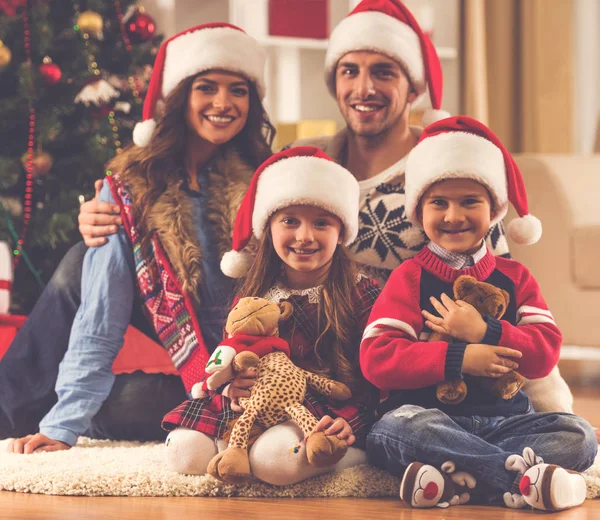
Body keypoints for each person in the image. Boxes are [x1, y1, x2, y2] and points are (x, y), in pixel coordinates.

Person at [57, 1, 575, 416]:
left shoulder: (451, 176)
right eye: (349, 71)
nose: (364, 88)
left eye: (384, 73)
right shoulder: (309, 166)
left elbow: (499, 285)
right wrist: (107, 209)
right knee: (82, 262)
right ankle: (44, 406)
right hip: (308, 349)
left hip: (411, 362)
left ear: (413, 85)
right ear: (334, 84)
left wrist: (553, 407)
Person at [1, 22, 274, 451]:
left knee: (123, 401)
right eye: (207, 87)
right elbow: (101, 310)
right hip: (196, 372)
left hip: (258, 367)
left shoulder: (268, 180)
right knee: (85, 265)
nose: (223, 103)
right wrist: (66, 422)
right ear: (180, 96)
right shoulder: (130, 186)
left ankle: (26, 406)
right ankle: (38, 411)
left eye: (238, 90)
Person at [360, 116, 597, 511]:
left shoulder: (516, 277)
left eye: (470, 201)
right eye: (439, 202)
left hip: (505, 423)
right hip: (430, 420)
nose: (454, 215)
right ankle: (522, 482)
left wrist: (486, 330)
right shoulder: (409, 277)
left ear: (494, 212)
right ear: (419, 210)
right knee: (392, 430)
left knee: (579, 435)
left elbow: (545, 354)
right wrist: (461, 357)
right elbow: (377, 358)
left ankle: (457, 479)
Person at [162, 146, 381, 486]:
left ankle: (350, 455)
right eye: (290, 221)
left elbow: (377, 378)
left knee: (273, 461)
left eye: (321, 223)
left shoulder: (361, 291)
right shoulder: (256, 292)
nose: (304, 236)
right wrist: (232, 386)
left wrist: (352, 420)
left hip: (322, 411)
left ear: (341, 232)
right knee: (183, 450)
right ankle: (242, 446)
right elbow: (232, 352)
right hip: (258, 406)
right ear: (269, 227)